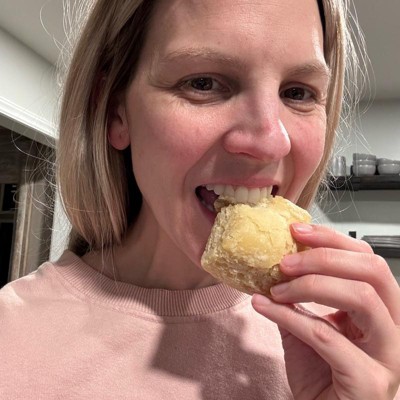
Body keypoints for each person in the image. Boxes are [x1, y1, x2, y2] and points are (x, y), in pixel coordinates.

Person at [1, 0, 399, 398]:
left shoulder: (350, 349)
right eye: (203, 83)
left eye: (297, 93)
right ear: (115, 111)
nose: (271, 141)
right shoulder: (12, 341)